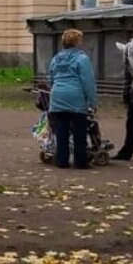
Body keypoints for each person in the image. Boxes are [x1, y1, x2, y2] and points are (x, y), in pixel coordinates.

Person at [46, 28, 97, 170]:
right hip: (76, 97)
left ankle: (61, 160)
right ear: (77, 42)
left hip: (57, 96)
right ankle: (80, 162)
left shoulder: (56, 58)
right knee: (79, 131)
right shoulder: (82, 59)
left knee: (61, 130)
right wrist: (92, 101)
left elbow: (50, 77)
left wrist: (55, 90)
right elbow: (88, 82)